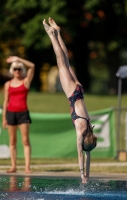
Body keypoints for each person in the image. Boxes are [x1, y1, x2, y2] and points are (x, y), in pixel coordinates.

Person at [43, 18, 97, 183]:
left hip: (80, 91)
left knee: (66, 60)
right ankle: (52, 34)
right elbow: (81, 154)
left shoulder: (89, 127)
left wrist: (86, 175)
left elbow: (88, 155)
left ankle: (58, 32)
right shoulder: (80, 130)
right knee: (61, 62)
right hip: (72, 93)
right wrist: (82, 174)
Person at [2, 56, 35, 174]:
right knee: (12, 141)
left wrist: (18, 59)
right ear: (12, 70)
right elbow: (5, 101)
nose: (17, 71)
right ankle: (13, 166)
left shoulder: (25, 81)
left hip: (23, 113)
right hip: (11, 113)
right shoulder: (8, 84)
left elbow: (32, 66)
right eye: (15, 69)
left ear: (22, 70)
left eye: (19, 69)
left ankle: (27, 166)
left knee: (25, 140)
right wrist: (4, 118)